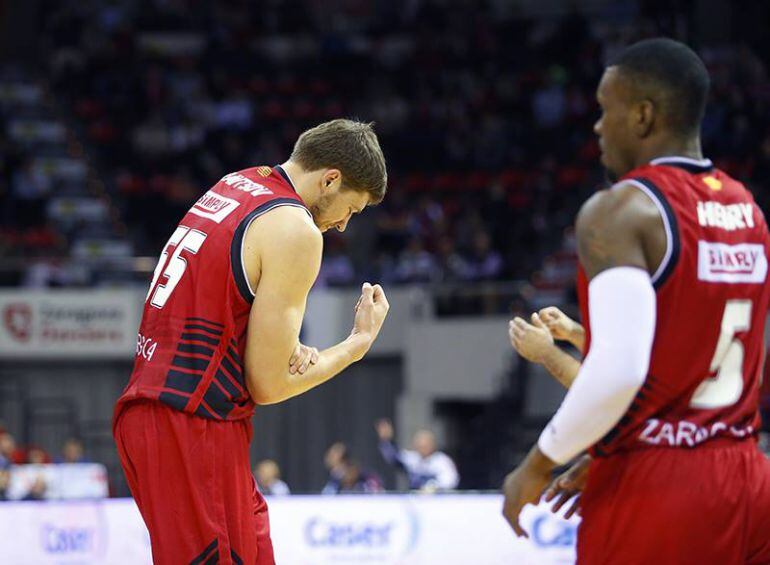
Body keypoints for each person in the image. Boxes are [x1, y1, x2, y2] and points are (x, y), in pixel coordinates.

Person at [501, 38, 770, 564]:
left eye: (607, 110)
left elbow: (621, 370)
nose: (598, 127)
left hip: (659, 486)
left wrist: (538, 462)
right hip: (746, 473)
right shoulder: (747, 208)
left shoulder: (621, 210)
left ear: (644, 115)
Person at [113, 119, 390, 565]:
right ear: (330, 179)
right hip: (193, 424)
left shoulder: (236, 184)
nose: (342, 225)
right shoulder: (295, 227)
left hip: (159, 411)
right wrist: (356, 344)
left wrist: (275, 343)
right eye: (351, 209)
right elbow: (268, 384)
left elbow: (214, 299)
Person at [375, 419, 459, 491]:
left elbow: (451, 481)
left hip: (437, 501)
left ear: (433, 445)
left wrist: (433, 487)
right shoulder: (414, 458)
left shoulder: (442, 461)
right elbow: (394, 458)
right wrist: (386, 441)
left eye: (425, 446)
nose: (422, 449)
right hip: (416, 501)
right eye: (419, 446)